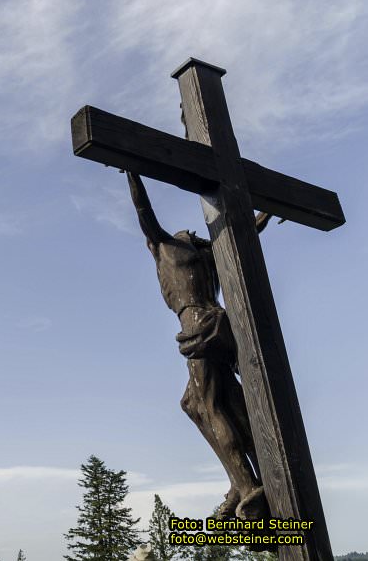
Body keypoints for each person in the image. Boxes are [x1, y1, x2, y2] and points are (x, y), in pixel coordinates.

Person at [126, 171, 271, 520]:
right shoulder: (207, 252)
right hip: (218, 321)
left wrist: (131, 172)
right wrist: (265, 211)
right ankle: (246, 476)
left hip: (197, 323)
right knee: (194, 402)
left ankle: (248, 486)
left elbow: (144, 213)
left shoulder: (166, 247)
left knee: (209, 406)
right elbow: (247, 228)